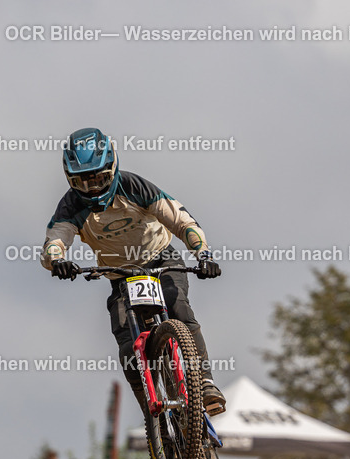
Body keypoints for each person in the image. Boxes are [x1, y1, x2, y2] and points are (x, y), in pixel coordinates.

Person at [41, 127, 226, 416]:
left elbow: (181, 220)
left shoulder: (134, 187)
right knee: (128, 347)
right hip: (120, 276)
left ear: (113, 166)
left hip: (161, 259)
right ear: (70, 179)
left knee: (178, 307)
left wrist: (203, 254)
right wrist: (58, 261)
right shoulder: (70, 206)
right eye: (83, 182)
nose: (93, 189)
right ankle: (152, 417)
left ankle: (204, 382)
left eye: (100, 179)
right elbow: (55, 241)